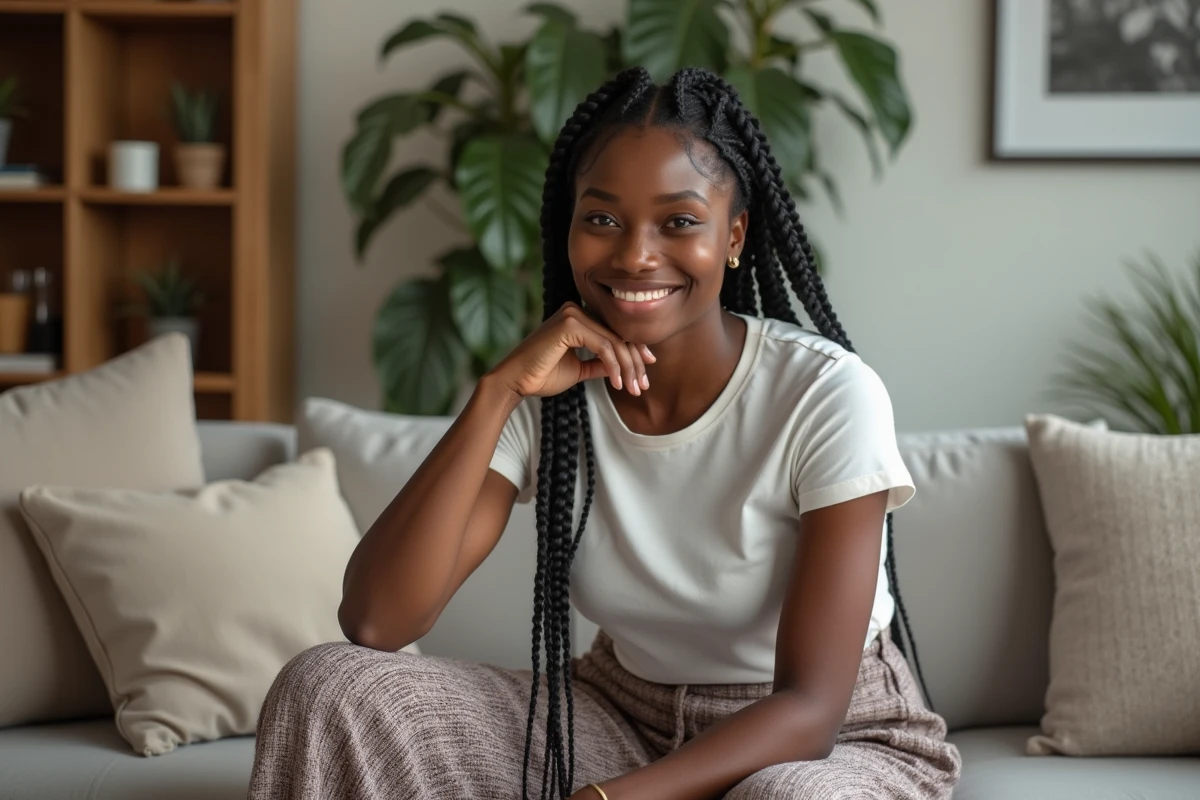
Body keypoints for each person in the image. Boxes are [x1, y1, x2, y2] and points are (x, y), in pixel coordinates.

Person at [249, 65, 962, 800]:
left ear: (734, 235)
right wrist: (497, 392)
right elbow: (376, 619)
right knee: (330, 684)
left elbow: (810, 710)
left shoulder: (824, 392)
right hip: (620, 712)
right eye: (602, 219)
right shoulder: (549, 392)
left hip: (831, 741)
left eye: (680, 221)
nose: (634, 255)